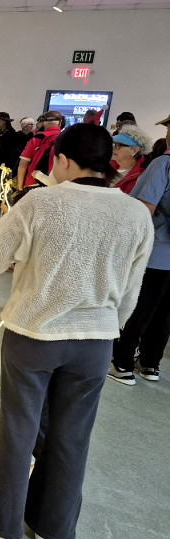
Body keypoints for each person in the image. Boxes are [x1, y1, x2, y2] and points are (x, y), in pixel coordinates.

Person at [0, 123, 153, 539]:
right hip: (95, 342)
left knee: (20, 430)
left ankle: (3, 522)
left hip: (34, 334)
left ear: (61, 159)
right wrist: (111, 326)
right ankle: (54, 529)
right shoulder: (136, 213)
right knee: (72, 436)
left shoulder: (40, 202)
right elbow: (132, 289)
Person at [109, 112, 170, 385]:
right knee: (164, 315)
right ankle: (150, 364)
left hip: (154, 253)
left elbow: (143, 210)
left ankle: (122, 364)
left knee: (138, 307)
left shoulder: (163, 164)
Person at [17, 110, 63, 190]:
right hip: (55, 185)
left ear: (44, 123)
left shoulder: (37, 139)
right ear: (60, 123)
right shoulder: (66, 139)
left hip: (33, 182)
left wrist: (20, 186)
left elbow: (23, 164)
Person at [110, 124, 151, 194]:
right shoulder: (108, 167)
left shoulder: (142, 176)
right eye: (114, 144)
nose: (113, 148)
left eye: (119, 145)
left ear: (134, 151)